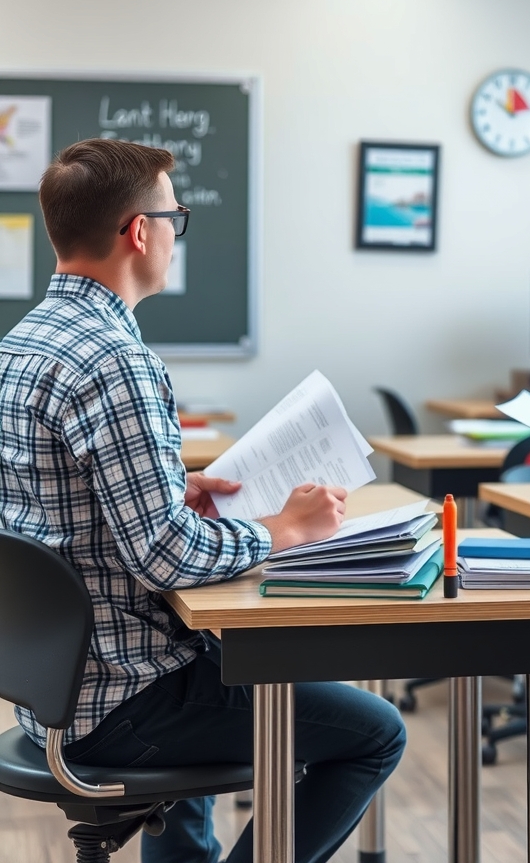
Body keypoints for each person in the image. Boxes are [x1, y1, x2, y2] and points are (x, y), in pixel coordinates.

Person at [0, 138, 406, 863]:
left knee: (196, 767)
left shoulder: (21, 344)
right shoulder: (118, 360)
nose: (174, 236)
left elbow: (45, 499)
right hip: (127, 697)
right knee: (377, 733)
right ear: (139, 231)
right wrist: (282, 528)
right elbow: (165, 556)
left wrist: (171, 489)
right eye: (174, 217)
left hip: (53, 694)